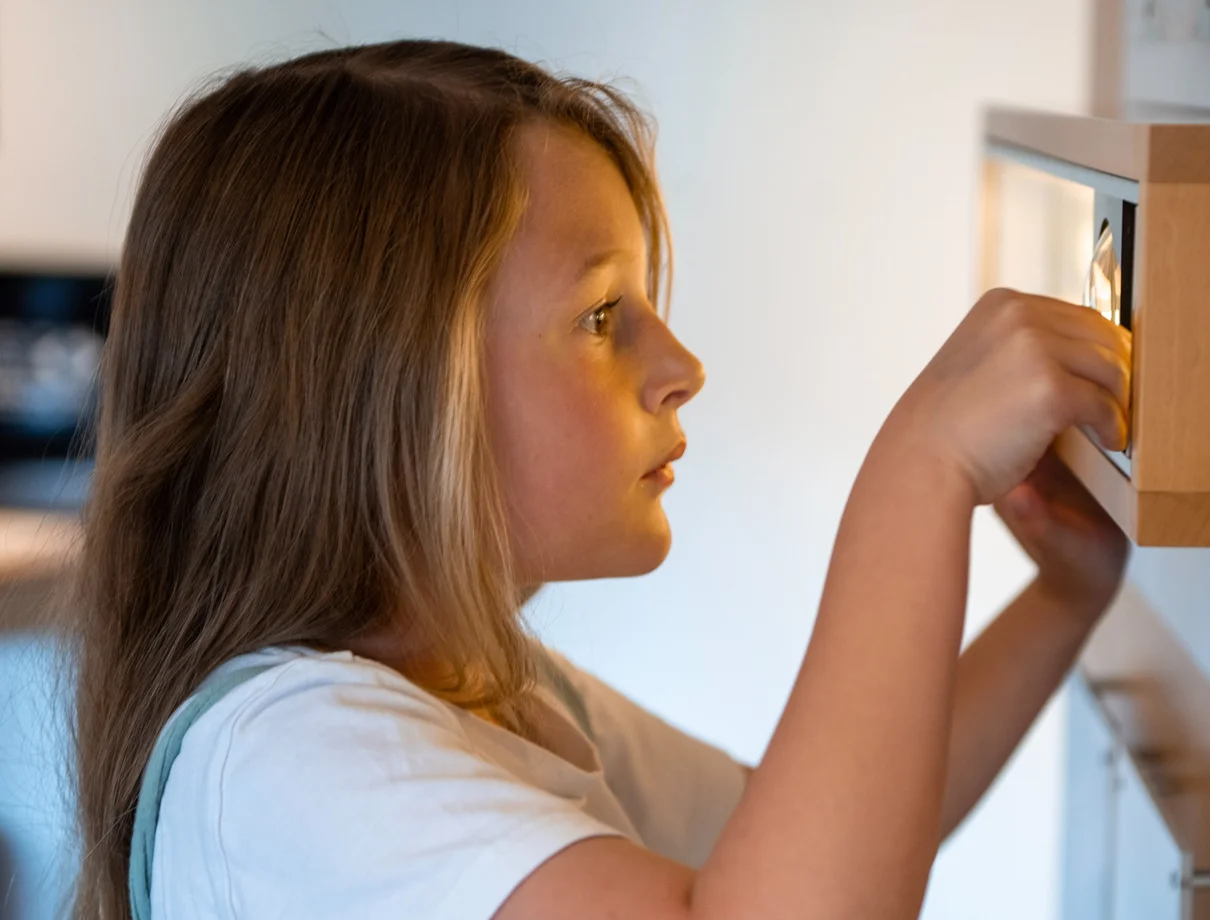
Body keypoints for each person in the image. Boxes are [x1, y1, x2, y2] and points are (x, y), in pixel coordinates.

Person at [71, 39, 1131, 920]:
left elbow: (839, 831)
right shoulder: (279, 759)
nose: (680, 368)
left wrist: (1065, 592)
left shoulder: (498, 696)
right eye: (599, 317)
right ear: (382, 384)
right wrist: (919, 473)